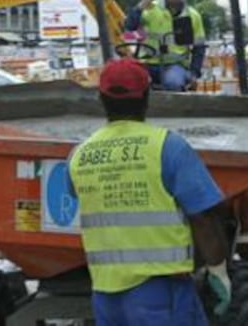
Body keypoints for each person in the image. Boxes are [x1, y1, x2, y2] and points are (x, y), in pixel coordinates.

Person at [67, 58, 231, 325]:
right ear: (147, 96)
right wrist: (218, 270)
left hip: (106, 297)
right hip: (161, 293)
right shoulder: (168, 147)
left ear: (101, 98)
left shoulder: (78, 156)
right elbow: (203, 217)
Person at [125, 0, 206, 91]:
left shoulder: (193, 16)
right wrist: (138, 10)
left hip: (176, 65)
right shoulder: (149, 8)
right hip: (147, 63)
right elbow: (129, 28)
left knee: (173, 83)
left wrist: (194, 73)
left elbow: (199, 47)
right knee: (128, 82)